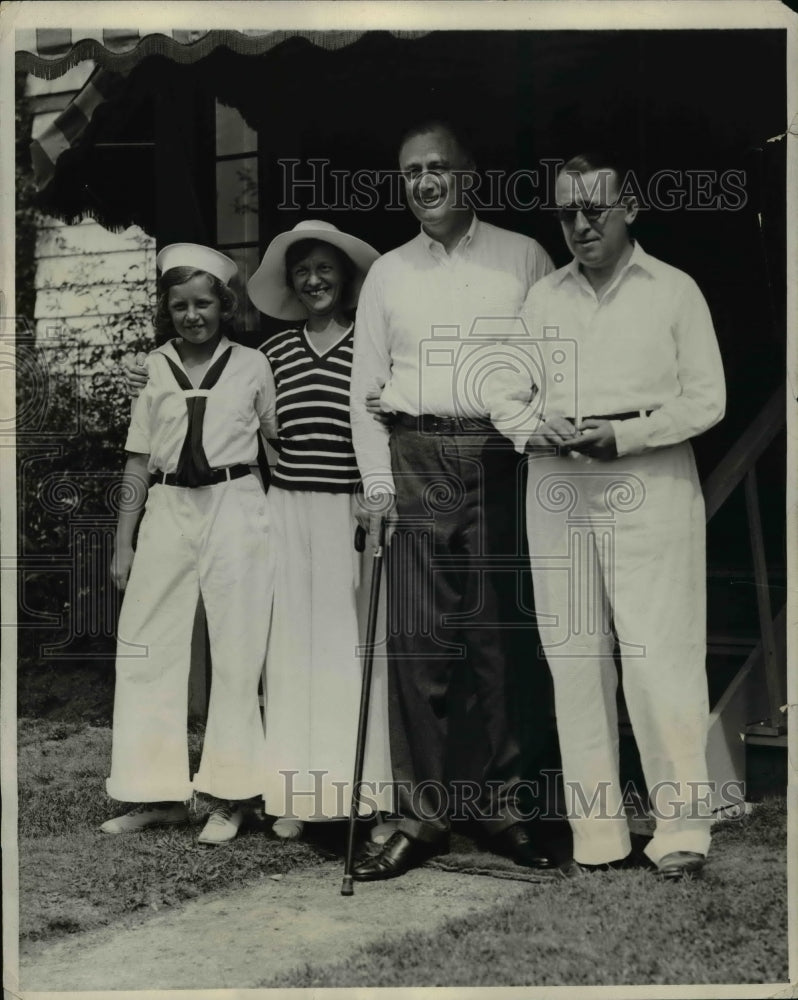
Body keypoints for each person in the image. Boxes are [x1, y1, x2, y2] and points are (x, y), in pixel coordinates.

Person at [489, 153, 726, 878]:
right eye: (567, 213)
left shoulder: (674, 292)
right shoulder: (543, 300)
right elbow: (502, 387)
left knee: (660, 651)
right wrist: (535, 426)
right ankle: (598, 836)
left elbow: (706, 399)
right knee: (575, 655)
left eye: (594, 209)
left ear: (630, 209)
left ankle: (681, 831)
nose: (581, 224)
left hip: (646, 476)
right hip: (559, 483)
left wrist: (624, 434)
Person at [349, 120, 557, 881]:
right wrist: (377, 487)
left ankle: (507, 811)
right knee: (419, 645)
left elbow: (548, 371)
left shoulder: (524, 257)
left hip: (501, 456)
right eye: (411, 172)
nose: (425, 183)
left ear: (469, 175)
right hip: (413, 454)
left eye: (438, 168)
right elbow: (362, 393)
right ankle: (421, 817)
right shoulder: (387, 274)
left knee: (500, 641)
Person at [101, 243, 277, 845]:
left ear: (224, 306)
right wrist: (122, 541)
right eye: (179, 305)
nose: (192, 314)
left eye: (203, 303)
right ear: (167, 309)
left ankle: (232, 795)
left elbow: (278, 448)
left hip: (236, 503)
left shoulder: (253, 365)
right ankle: (156, 793)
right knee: (148, 642)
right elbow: (137, 459)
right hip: (169, 505)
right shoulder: (150, 368)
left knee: (237, 646)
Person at [246, 220, 393, 839]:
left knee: (351, 645)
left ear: (346, 278)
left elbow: (381, 428)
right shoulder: (273, 353)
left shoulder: (368, 346)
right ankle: (294, 794)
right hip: (286, 508)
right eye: (302, 271)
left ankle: (366, 796)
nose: (313, 281)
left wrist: (373, 490)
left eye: (325, 269)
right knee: (291, 647)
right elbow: (248, 422)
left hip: (347, 511)